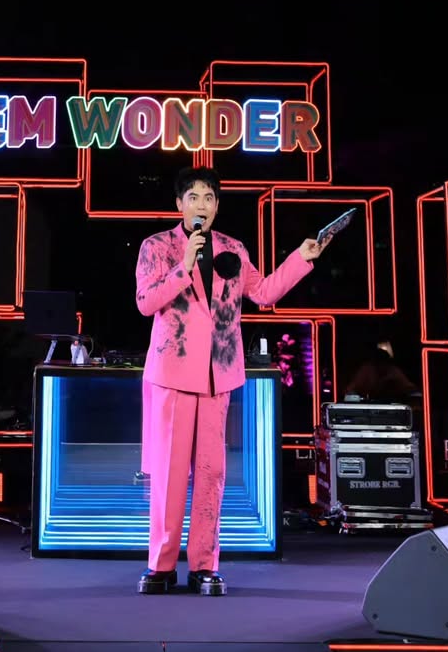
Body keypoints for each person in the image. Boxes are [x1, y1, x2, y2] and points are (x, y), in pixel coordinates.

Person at [134, 165, 335, 597]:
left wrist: (302, 258)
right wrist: (183, 266)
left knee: (212, 475)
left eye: (208, 198)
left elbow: (263, 293)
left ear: (217, 206)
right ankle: (161, 565)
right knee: (169, 475)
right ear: (179, 204)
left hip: (217, 375)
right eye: (193, 197)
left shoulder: (233, 249)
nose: (201, 205)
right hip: (172, 375)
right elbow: (146, 302)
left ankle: (205, 566)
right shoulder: (158, 247)